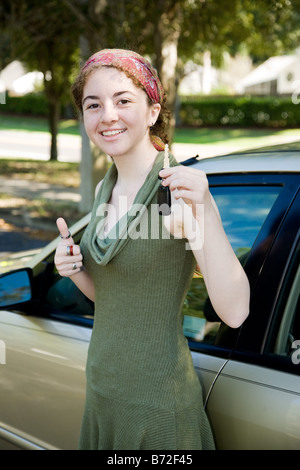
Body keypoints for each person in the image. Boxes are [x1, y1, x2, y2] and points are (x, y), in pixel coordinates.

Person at [54, 48, 250, 450]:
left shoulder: (177, 188)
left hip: (158, 408)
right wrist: (76, 270)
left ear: (151, 111)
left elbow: (235, 311)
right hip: (103, 394)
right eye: (94, 105)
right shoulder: (106, 188)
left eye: (123, 100)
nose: (107, 115)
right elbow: (119, 301)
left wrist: (204, 220)